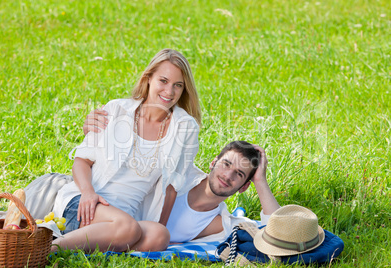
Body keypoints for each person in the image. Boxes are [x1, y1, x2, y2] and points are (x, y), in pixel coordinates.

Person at [51, 48, 202, 252]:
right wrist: (88, 193)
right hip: (85, 204)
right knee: (128, 228)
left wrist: (160, 225)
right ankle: (50, 250)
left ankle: (103, 239)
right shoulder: (116, 110)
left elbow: (171, 188)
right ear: (148, 78)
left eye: (178, 85)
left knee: (160, 235)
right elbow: (82, 160)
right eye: (163, 81)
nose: (169, 91)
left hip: (129, 218)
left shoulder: (186, 127)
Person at [85, 110, 280, 242]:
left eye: (238, 174)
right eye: (226, 164)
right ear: (213, 163)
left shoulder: (220, 224)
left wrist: (260, 181)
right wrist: (94, 131)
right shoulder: (179, 171)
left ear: (244, 186)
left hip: (112, 234)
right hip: (95, 205)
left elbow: (279, 231)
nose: (227, 175)